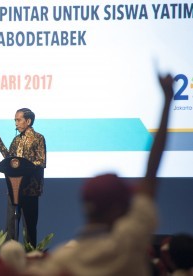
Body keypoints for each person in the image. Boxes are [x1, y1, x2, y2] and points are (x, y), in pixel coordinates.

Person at [27, 73, 174, 276]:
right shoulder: (128, 244)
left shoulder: (62, 261)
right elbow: (150, 178)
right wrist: (167, 100)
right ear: (117, 209)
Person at [0, 108, 47, 247]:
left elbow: (41, 162)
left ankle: (30, 255)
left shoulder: (38, 138)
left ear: (28, 121)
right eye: (15, 120)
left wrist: (24, 167)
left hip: (30, 189)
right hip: (14, 188)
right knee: (11, 225)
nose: (16, 123)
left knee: (29, 227)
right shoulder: (16, 140)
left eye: (18, 120)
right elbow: (9, 160)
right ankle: (9, 254)